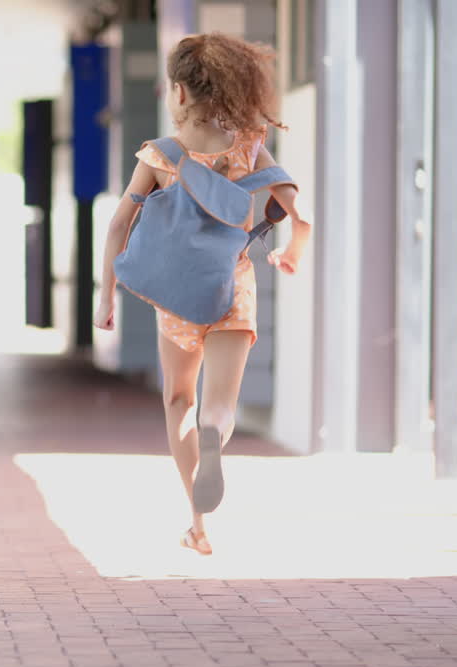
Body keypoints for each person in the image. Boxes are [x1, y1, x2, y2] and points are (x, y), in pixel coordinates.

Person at [94, 34, 311, 555]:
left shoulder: (160, 155)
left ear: (182, 95)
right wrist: (291, 253)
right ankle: (216, 431)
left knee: (178, 400)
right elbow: (298, 217)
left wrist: (107, 296)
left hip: (176, 296)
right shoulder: (249, 144)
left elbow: (120, 223)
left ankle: (197, 520)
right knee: (218, 406)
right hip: (230, 288)